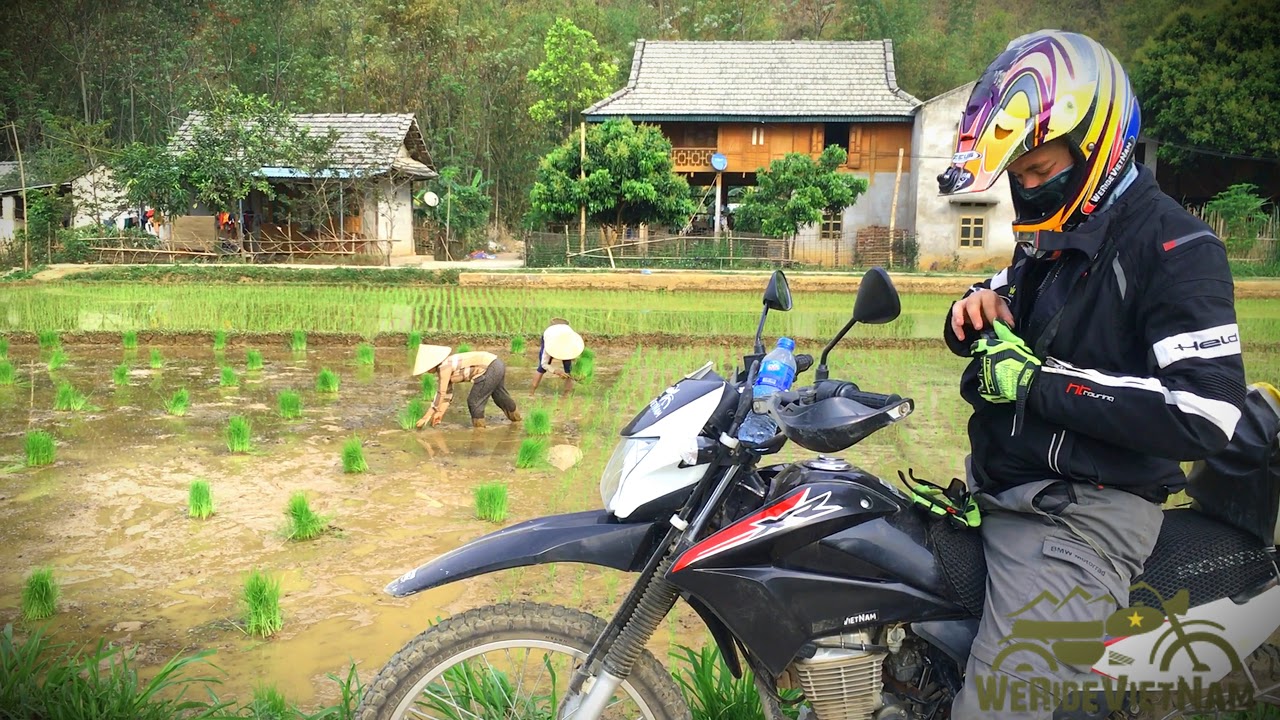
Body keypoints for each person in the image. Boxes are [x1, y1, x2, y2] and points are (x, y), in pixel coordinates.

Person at [935, 30, 1246, 719]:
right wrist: (975, 311)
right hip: (1005, 493)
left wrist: (1040, 382)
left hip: (1083, 522)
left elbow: (1209, 412)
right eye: (1018, 174)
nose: (1026, 188)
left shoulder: (1177, 248)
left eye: (1040, 171)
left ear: (1100, 148)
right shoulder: (1057, 238)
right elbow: (1014, 305)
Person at [412, 344, 521, 429]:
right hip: (497, 364)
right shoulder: (446, 365)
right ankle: (517, 421)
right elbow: (447, 395)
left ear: (433, 364)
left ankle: (479, 431)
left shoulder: (444, 367)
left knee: (474, 401)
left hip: (490, 367)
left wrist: (426, 417)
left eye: (427, 369)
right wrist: (439, 414)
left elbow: (441, 392)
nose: (427, 371)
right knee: (499, 396)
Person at [529, 319, 584, 395]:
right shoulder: (549, 342)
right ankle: (531, 393)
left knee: (569, 370)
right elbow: (544, 364)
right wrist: (555, 371)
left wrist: (578, 373)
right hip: (551, 336)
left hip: (566, 338)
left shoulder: (571, 342)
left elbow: (576, 355)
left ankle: (566, 395)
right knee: (541, 369)